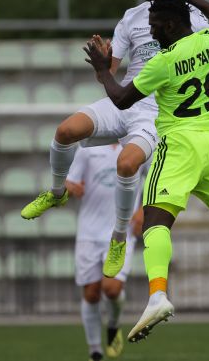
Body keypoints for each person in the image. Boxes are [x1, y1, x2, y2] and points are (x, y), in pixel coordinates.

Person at [84, 0, 209, 343]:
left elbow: (121, 100)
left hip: (178, 147)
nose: (152, 31)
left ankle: (157, 296)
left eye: (156, 25)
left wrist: (102, 71)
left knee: (154, 221)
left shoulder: (164, 61)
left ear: (170, 25)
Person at [20, 0, 209, 278]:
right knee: (65, 131)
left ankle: (119, 236)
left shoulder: (198, 20)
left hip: (157, 111)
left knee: (126, 165)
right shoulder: (133, 17)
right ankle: (57, 193)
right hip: (125, 98)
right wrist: (103, 62)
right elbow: (110, 71)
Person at [66, 144, 141, 361]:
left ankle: (113, 324)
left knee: (111, 288)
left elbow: (158, 175)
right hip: (89, 232)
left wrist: (144, 209)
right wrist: (70, 188)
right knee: (91, 294)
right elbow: (69, 183)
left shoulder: (138, 143)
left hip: (121, 231)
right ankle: (95, 351)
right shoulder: (87, 147)